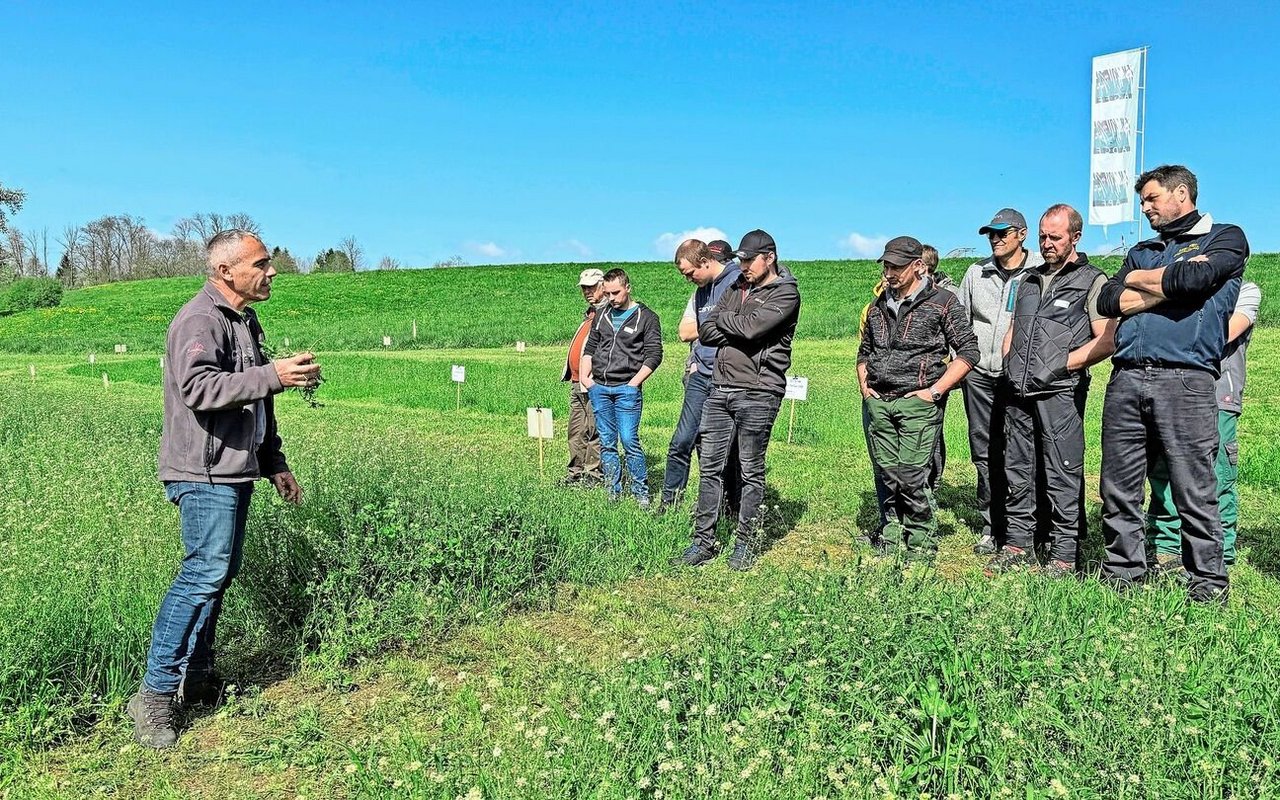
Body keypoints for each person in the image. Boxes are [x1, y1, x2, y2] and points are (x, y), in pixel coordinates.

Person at [130, 230, 321, 748]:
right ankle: (153, 696)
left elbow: (258, 401)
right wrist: (273, 375)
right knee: (202, 574)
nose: (272, 270)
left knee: (218, 574)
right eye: (261, 263)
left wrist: (273, 460)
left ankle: (197, 677)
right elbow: (198, 389)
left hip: (235, 468)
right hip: (203, 473)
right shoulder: (201, 319)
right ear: (226, 272)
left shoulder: (243, 320)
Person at [1096, 164, 1249, 603]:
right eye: (1142, 201)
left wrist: (1136, 283)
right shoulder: (1144, 248)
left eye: (1151, 199)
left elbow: (1197, 279)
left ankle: (1206, 583)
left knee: (1194, 486)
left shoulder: (1225, 237)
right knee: (1118, 485)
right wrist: (1164, 284)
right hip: (1125, 378)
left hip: (1185, 378)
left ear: (1181, 193)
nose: (1144, 208)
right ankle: (1123, 573)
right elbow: (1108, 299)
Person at [986, 205, 1115, 577]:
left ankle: (1062, 555)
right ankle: (1017, 544)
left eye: (1054, 237)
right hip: (1018, 391)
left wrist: (1060, 366)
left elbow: (1106, 340)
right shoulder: (1027, 280)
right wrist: (1010, 361)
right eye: (1043, 236)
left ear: (1075, 237)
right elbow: (1014, 326)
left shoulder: (1092, 280)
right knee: (1017, 468)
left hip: (1060, 392)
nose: (1046, 244)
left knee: (1062, 472)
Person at [673, 229, 801, 571]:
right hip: (719, 388)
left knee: (750, 470)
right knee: (710, 467)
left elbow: (752, 329)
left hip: (759, 391)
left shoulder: (786, 293)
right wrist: (735, 323)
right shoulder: (735, 287)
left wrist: (731, 324)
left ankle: (745, 541)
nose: (742, 265)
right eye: (740, 259)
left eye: (749, 259)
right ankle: (704, 540)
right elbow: (708, 329)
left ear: (769, 257)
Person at [858, 236, 979, 560]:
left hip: (918, 403)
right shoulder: (879, 304)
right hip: (878, 402)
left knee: (912, 475)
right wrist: (864, 385)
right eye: (886, 265)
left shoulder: (943, 302)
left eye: (896, 266)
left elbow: (968, 352)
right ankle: (891, 537)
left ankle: (921, 546)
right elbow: (865, 350)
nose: (889, 272)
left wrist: (935, 391)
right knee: (886, 472)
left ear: (918, 267)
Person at [1145, 281, 1260, 579]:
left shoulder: (1246, 291)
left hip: (1218, 395)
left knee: (1217, 474)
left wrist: (1171, 330)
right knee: (1164, 471)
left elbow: (1222, 335)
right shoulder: (1184, 288)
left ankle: (1220, 552)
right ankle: (1166, 547)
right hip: (1171, 391)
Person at [958, 209, 1043, 554]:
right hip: (979, 377)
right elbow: (960, 322)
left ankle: (1027, 527)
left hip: (1022, 377)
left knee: (1024, 451)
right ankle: (991, 526)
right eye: (990, 234)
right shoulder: (976, 273)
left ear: (1021, 234)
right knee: (985, 450)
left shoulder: (1039, 270)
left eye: (1001, 233)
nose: (994, 239)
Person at [659, 240, 742, 513]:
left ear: (705, 261)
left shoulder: (737, 281)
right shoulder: (700, 291)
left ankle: (725, 506)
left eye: (689, 273)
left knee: (720, 450)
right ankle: (669, 504)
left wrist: (709, 327)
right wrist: (695, 360)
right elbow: (684, 332)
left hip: (726, 376)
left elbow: (736, 325)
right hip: (700, 374)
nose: (688, 279)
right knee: (681, 440)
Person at [579, 268, 663, 506]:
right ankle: (612, 492)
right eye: (608, 293)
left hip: (627, 388)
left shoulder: (646, 317)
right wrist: (587, 378)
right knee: (606, 442)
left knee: (628, 439)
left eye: (616, 293)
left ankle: (640, 493)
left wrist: (634, 384)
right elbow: (591, 347)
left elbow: (654, 355)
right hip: (600, 388)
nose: (612, 298)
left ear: (628, 288)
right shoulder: (602, 314)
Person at [561, 268, 607, 487]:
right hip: (577, 381)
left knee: (594, 429)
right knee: (576, 429)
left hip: (595, 381)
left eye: (591, 287)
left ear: (603, 286)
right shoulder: (590, 314)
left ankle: (593, 475)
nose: (587, 291)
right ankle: (575, 472)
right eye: (584, 287)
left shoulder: (608, 313)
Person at [920, 243, 952, 497]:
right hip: (904, 379)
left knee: (931, 434)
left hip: (935, 377)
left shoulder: (947, 296)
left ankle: (932, 484)